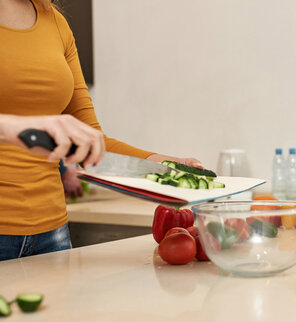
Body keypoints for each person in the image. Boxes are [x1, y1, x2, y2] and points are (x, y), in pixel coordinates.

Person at [0, 0, 202, 261]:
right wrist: (17, 126)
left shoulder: (55, 24)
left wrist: (162, 165)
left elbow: (92, 138)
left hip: (51, 233)